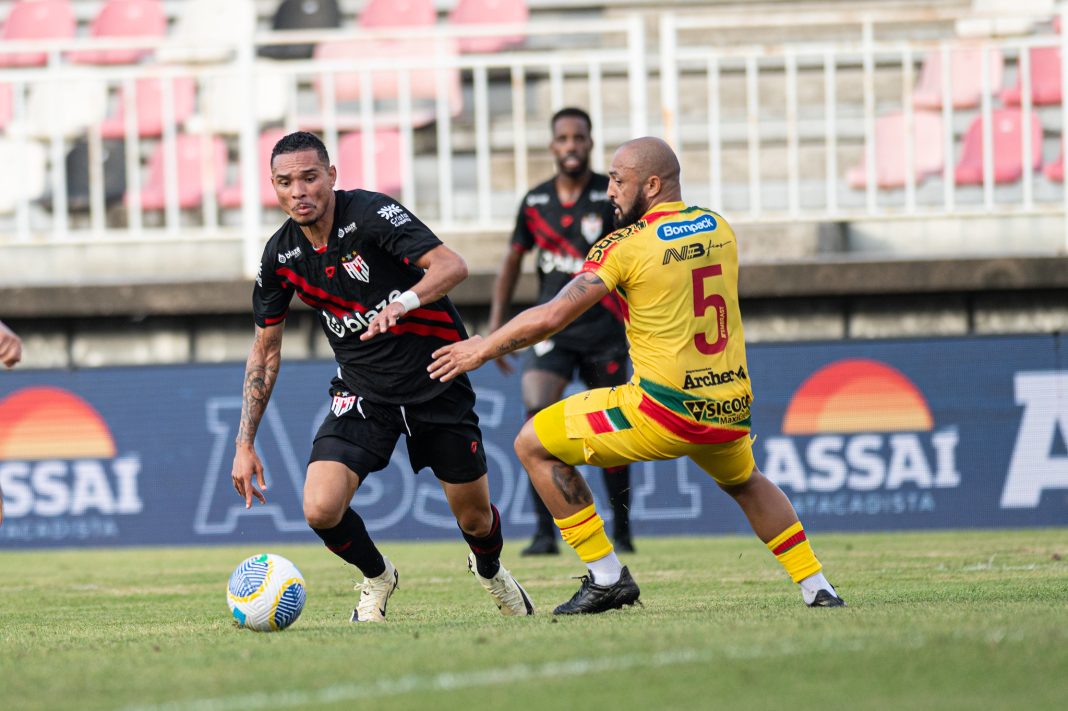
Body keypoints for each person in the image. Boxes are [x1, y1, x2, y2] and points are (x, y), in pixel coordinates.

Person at [429, 136, 846, 615]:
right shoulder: (719, 228)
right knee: (746, 481)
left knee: (532, 444)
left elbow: (551, 317)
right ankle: (817, 586)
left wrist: (482, 346)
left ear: (652, 184)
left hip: (662, 410)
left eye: (618, 181)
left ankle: (606, 577)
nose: (609, 190)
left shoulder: (624, 246)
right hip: (728, 406)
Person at [231, 131, 534, 622]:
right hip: (362, 391)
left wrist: (404, 301)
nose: (299, 191)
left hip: (436, 378)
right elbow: (265, 353)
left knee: (476, 519)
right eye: (286, 182)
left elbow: (452, 266)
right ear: (273, 186)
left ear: (332, 175)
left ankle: (490, 571)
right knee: (320, 508)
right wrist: (244, 443)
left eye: (310, 177)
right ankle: (377, 577)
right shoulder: (280, 256)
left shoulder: (371, 215)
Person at [490, 107, 635, 556]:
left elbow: (633, 258)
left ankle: (623, 531)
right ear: (552, 146)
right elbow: (512, 261)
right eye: (563, 138)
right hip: (553, 330)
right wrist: (497, 326)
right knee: (535, 415)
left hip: (603, 329)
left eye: (579, 138)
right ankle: (544, 532)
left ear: (590, 143)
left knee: (613, 430)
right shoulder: (535, 202)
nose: (571, 145)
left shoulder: (607, 197)